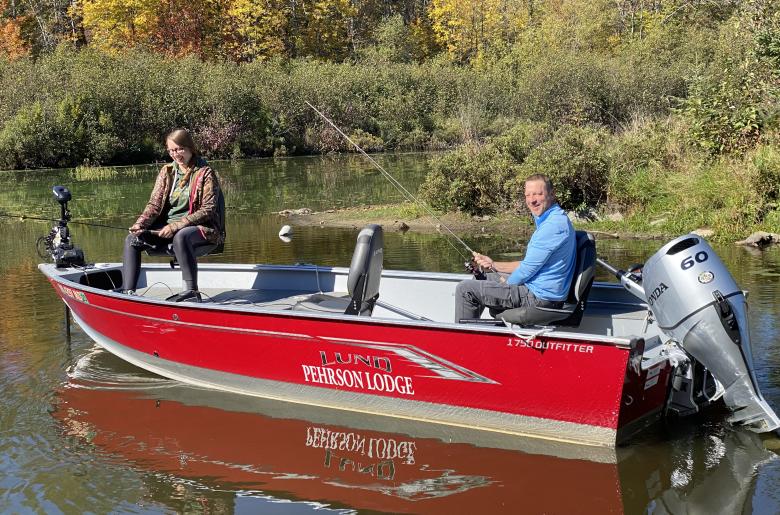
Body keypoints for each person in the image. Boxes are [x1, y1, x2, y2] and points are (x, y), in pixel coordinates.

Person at [119, 129, 225, 302]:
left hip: (203, 229)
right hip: (167, 229)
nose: (175, 154)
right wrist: (141, 224)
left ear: (190, 147)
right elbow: (154, 204)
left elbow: (208, 209)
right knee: (132, 239)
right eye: (171, 150)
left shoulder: (205, 173)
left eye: (179, 149)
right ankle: (127, 293)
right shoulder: (167, 172)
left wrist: (176, 226)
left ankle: (191, 291)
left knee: (181, 236)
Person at [455, 173, 575, 322]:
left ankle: (465, 342)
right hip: (537, 288)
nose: (532, 200)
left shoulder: (552, 226)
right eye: (528, 195)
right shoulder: (554, 218)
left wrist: (508, 283)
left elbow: (526, 271)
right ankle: (480, 332)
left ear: (551, 194)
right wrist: (493, 264)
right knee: (483, 277)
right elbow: (528, 265)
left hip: (538, 296)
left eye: (538, 194)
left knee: (465, 290)